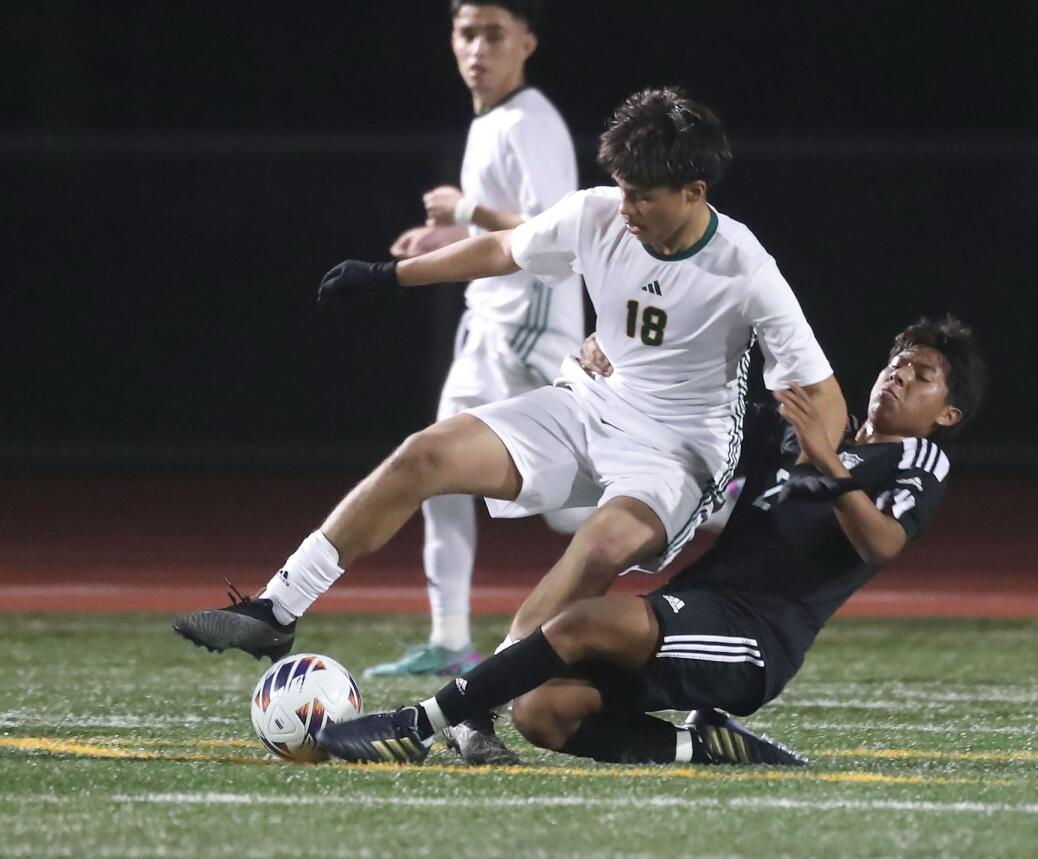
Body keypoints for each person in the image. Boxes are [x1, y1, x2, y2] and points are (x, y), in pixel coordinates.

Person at [173, 86, 847, 759]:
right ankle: (277, 608)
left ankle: (476, 707)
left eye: (645, 194)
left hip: (676, 454)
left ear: (695, 191)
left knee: (598, 549)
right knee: (424, 454)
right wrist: (389, 276)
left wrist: (825, 457)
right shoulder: (599, 214)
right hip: (587, 403)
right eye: (623, 189)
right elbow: (502, 250)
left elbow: (823, 393)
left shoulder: (746, 266)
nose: (628, 208)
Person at [315, 316, 987, 765]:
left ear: (947, 413)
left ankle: (415, 726)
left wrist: (832, 466)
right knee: (544, 712)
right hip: (698, 603)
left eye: (921, 376)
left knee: (577, 623)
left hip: (755, 638)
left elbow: (883, 545)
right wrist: (615, 359)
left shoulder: (917, 461)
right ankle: (704, 746)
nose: (898, 377)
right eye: (896, 365)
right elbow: (698, 413)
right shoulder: (805, 431)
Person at [368, 0, 588, 681]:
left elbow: (556, 232)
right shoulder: (491, 120)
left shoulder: (529, 120)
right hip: (488, 323)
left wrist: (464, 210)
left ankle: (712, 490)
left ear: (528, 41)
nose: (478, 48)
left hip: (530, 330)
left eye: (494, 34)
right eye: (467, 33)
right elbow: (505, 231)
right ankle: (450, 638)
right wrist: (446, 240)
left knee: (576, 505)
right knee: (436, 473)